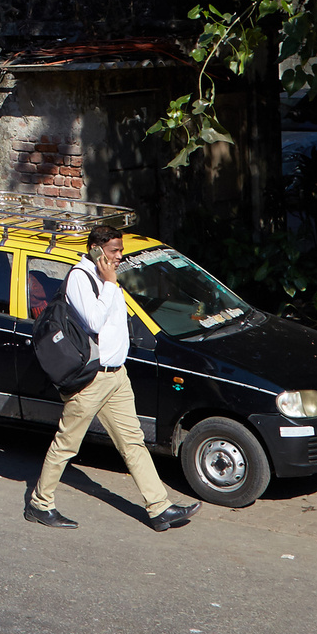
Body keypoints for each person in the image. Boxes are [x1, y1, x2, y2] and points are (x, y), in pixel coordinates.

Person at [26, 227, 197, 532]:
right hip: (92, 379)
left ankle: (159, 508)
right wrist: (109, 283)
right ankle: (40, 504)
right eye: (114, 250)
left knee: (133, 442)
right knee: (66, 444)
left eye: (121, 250)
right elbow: (93, 320)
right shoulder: (81, 278)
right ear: (95, 249)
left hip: (117, 376)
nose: (120, 256)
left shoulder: (108, 280)